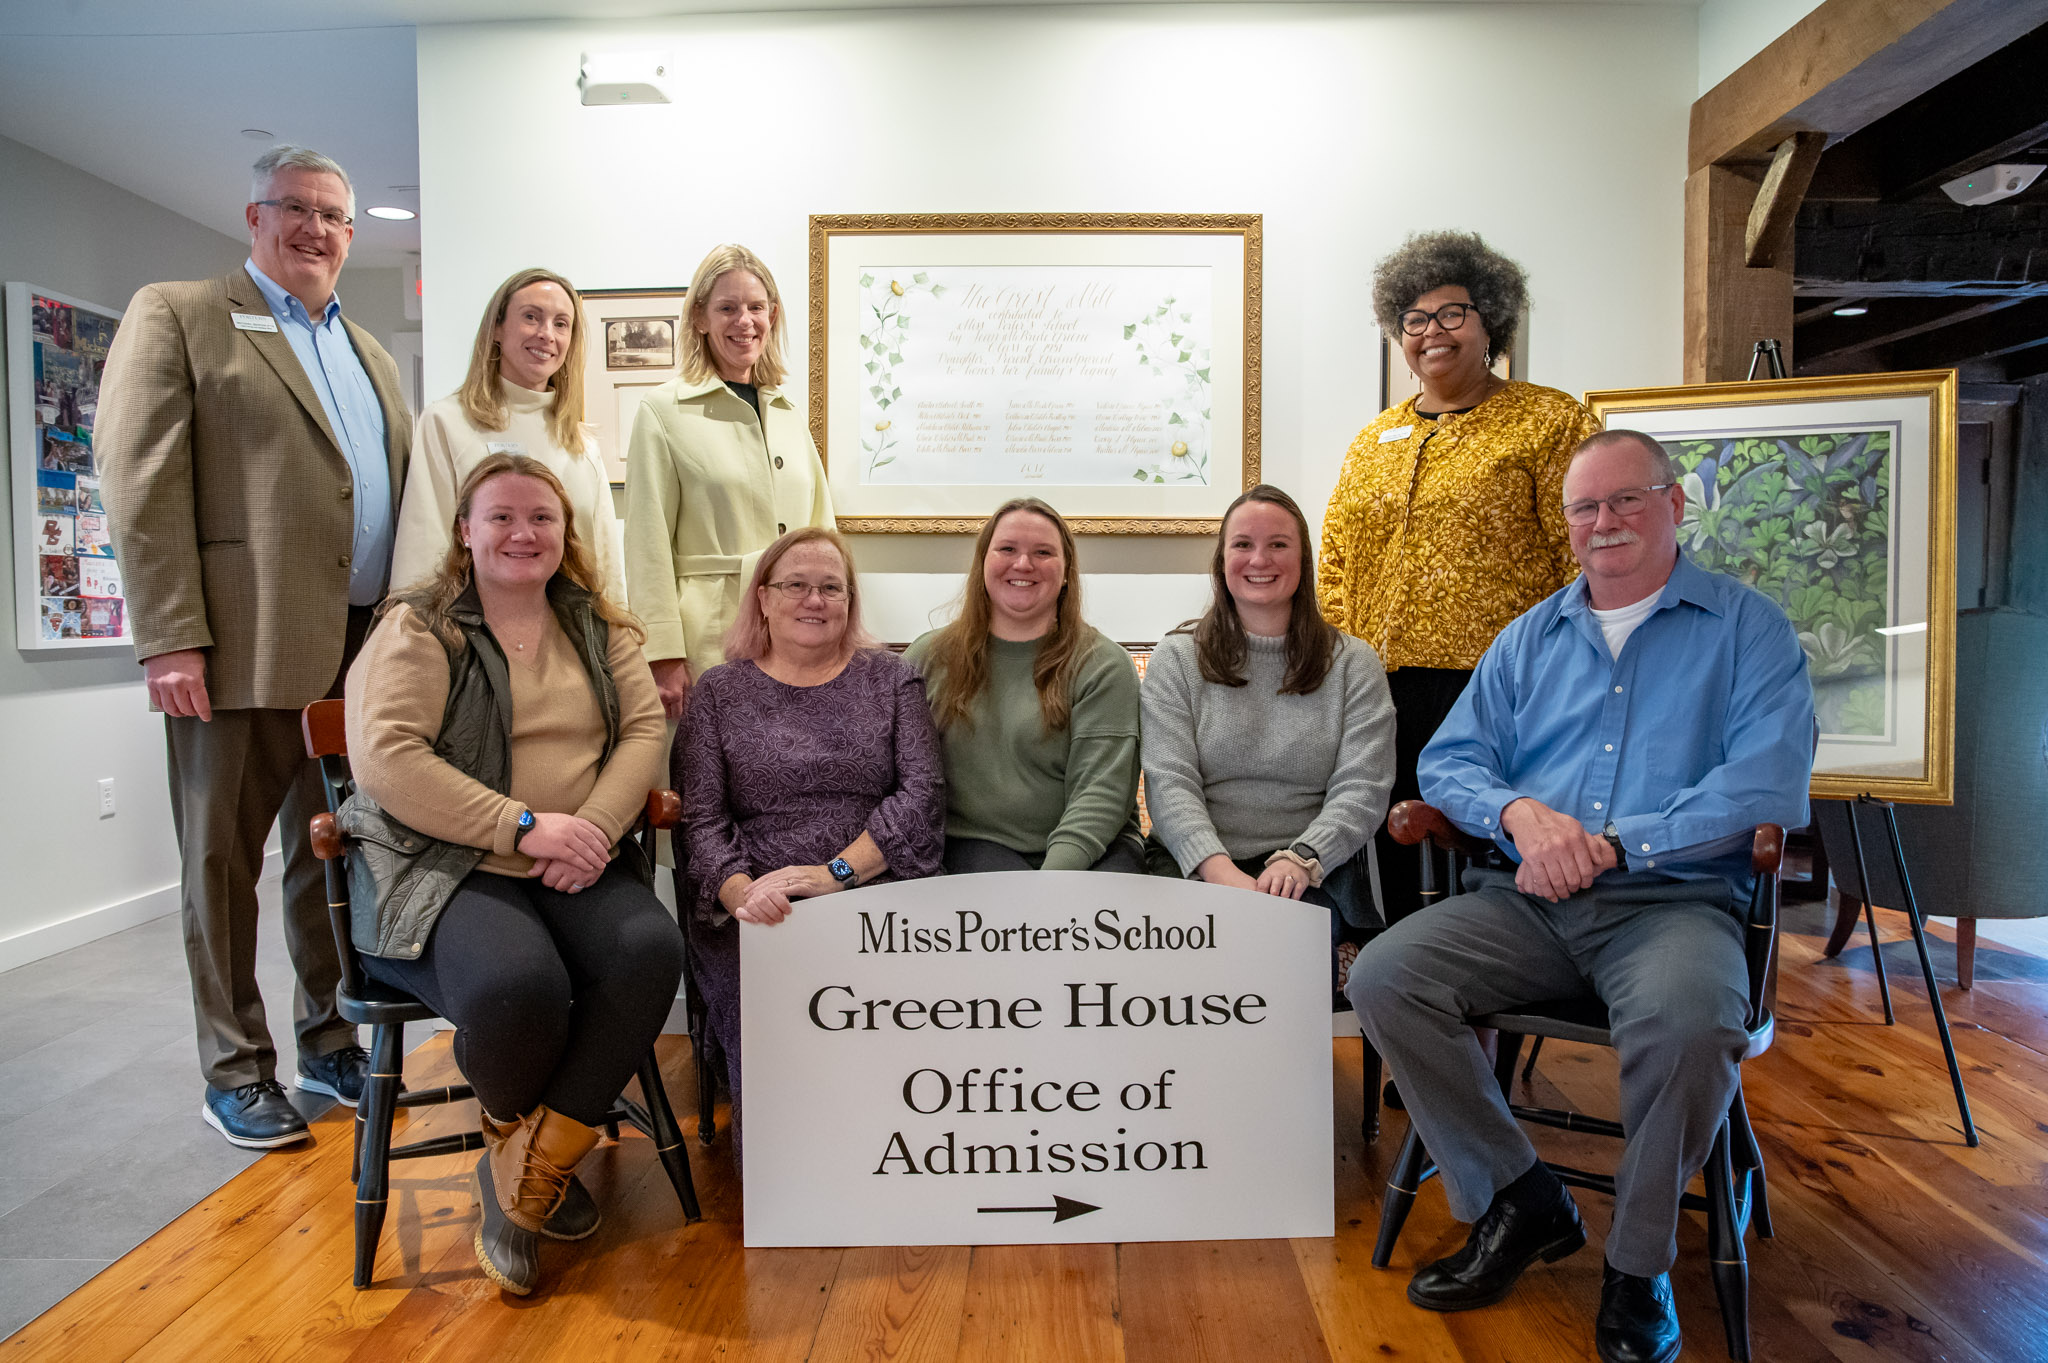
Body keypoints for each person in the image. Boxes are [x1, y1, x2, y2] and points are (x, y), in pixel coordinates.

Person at [1347, 430, 1814, 1363]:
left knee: (1691, 1024)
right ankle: (1521, 1197)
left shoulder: (1747, 629)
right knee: (1386, 977)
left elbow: (1761, 782)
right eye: (1584, 507)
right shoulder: (1529, 636)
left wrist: (1612, 842)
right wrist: (1519, 813)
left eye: (1625, 499)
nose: (1604, 521)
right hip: (1525, 902)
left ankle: (1637, 1263)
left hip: (1673, 904)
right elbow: (1450, 761)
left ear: (1673, 504)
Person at [97, 144, 411, 1149]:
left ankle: (328, 1042)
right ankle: (234, 1069)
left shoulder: (371, 354)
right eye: (296, 209)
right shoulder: (181, 314)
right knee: (221, 863)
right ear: (254, 216)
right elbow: (138, 480)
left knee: (329, 857)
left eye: (334, 216)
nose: (317, 230)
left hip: (356, 654)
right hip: (236, 647)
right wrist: (170, 638)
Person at [343, 454, 680, 1296]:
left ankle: (529, 1169)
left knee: (649, 949)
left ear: (567, 533)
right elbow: (387, 756)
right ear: (465, 530)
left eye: (542, 517)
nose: (523, 533)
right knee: (518, 988)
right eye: (501, 516)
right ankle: (525, 1152)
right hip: (448, 861)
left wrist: (591, 828)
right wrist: (524, 826)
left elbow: (643, 731)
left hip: (578, 854)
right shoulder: (421, 626)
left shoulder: (599, 625)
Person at [1319, 229, 1602, 927]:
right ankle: (1406, 984)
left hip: (1502, 689)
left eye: (1451, 313)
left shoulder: (1550, 422)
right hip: (1382, 694)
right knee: (1397, 856)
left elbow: (1584, 559)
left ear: (1490, 320)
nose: (1431, 332)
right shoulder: (1373, 440)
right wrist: (1339, 666)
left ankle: (1492, 986)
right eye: (1414, 319)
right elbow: (1336, 561)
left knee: (1488, 869)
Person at [677, 527, 945, 1157]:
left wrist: (836, 875)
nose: (814, 600)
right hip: (757, 899)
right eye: (795, 585)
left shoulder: (893, 679)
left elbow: (922, 793)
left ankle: (898, 1158)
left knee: (891, 1003)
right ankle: (788, 1171)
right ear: (763, 598)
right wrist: (745, 895)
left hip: (874, 882)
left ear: (850, 601)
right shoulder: (718, 691)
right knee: (768, 1000)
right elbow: (702, 820)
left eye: (831, 587)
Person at [1141, 485, 1397, 984]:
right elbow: (1169, 781)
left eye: (1278, 544)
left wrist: (1302, 859)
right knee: (1182, 967)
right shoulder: (1177, 657)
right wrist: (1219, 871)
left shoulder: (1353, 663)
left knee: (1280, 958)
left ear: (1303, 559)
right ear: (1222, 560)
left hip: (1312, 871)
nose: (1260, 559)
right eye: (1243, 544)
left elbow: (1363, 788)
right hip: (1194, 863)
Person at [625, 244, 834, 720]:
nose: (745, 321)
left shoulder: (787, 412)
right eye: (727, 308)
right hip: (708, 635)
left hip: (797, 634)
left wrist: (834, 627)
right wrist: (663, 653)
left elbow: (824, 532)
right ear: (700, 317)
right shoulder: (663, 411)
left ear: (772, 315)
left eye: (756, 307)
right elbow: (645, 543)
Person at [905, 498, 1146, 875]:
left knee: (1100, 908)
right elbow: (893, 777)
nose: (1023, 564)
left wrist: (1047, 887)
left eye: (1043, 552)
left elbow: (1100, 796)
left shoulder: (1103, 665)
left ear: (1066, 572)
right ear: (982, 563)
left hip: (1094, 848)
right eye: (1007, 549)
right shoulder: (928, 658)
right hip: (973, 845)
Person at [391, 267, 625, 604]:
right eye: (531, 317)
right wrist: (412, 631)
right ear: (497, 328)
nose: (547, 334)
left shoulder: (580, 442)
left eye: (561, 324)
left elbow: (604, 560)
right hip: (473, 629)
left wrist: (618, 628)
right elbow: (422, 552)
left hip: (570, 629)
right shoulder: (447, 423)